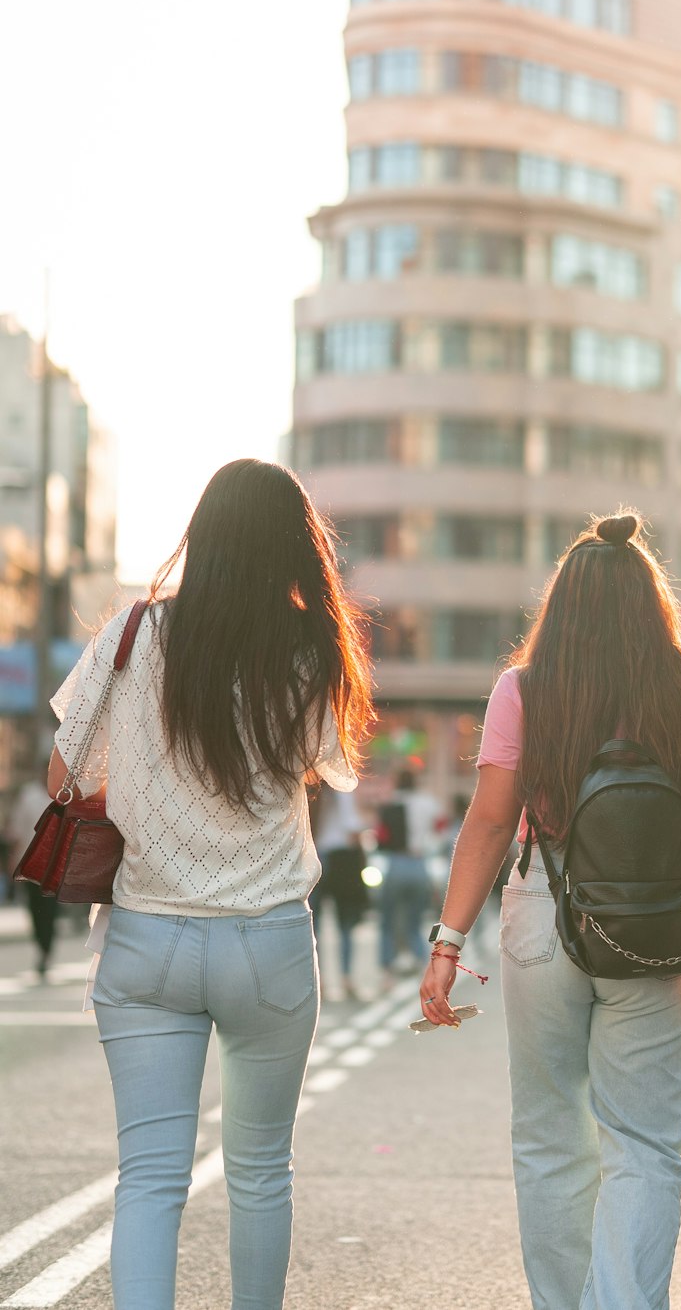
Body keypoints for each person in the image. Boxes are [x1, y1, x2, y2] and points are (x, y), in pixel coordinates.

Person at [46, 459, 372, 1310]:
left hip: (147, 938)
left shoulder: (131, 634)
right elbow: (328, 770)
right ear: (293, 550)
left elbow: (62, 773)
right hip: (266, 938)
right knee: (261, 1170)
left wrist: (147, 791)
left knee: (149, 1178)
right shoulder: (310, 653)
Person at [419, 513, 681, 1309]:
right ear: (652, 607)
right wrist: (639, 878)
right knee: (645, 1145)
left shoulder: (523, 690)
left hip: (543, 915)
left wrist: (448, 942)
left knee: (552, 1136)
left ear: (560, 607)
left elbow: (490, 821)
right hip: (655, 925)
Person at [376, 767, 440, 980]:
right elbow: (439, 827)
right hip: (419, 863)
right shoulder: (427, 802)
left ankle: (387, 969)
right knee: (415, 920)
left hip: (396, 863)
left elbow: (381, 836)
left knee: (387, 920)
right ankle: (423, 965)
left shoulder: (390, 803)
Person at [308, 784, 369, 1000]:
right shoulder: (343, 788)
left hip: (316, 857)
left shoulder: (311, 791)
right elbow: (351, 825)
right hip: (342, 860)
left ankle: (319, 981)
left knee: (315, 926)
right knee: (345, 923)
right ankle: (346, 978)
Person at [6, 772, 60, 977]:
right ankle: (41, 944)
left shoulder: (61, 796)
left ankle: (46, 949)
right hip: (30, 863)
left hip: (52, 864)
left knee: (49, 909)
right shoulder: (28, 795)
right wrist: (14, 860)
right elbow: (18, 829)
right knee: (34, 908)